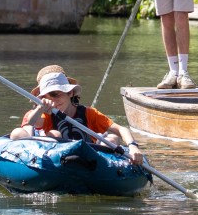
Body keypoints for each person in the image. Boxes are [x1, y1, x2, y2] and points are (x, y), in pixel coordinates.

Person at [9, 65, 144, 166]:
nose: (54, 101)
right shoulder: (45, 113)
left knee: (112, 138)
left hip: (90, 159)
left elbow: (121, 129)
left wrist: (133, 146)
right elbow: (33, 122)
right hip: (57, 162)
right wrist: (41, 107)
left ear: (70, 93)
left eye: (57, 94)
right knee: (54, 134)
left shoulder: (89, 113)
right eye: (47, 96)